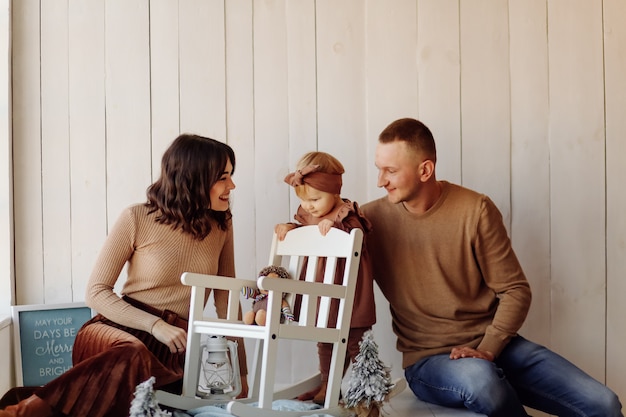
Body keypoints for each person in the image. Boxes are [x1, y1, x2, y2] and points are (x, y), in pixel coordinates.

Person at [361, 117, 623, 417]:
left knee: (604, 403)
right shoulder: (369, 221)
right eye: (379, 169)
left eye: (390, 171)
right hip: (430, 362)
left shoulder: (475, 209)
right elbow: (320, 220)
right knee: (482, 381)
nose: (380, 181)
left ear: (425, 170)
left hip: (497, 348)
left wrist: (489, 348)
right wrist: (293, 225)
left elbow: (515, 290)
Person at [0, 134, 248, 417]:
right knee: (133, 352)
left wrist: (241, 373)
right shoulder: (136, 217)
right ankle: (21, 413)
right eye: (223, 177)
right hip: (114, 332)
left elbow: (227, 299)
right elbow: (96, 291)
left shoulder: (221, 226)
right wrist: (154, 324)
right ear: (195, 178)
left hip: (172, 349)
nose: (232, 186)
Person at [274, 151, 375, 405]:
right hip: (322, 295)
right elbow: (302, 229)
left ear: (334, 191)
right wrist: (291, 228)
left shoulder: (346, 214)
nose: (309, 206)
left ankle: (368, 388)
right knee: (326, 342)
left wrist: (336, 227)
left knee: (356, 341)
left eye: (315, 199)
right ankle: (328, 385)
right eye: (304, 200)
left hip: (349, 293)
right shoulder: (308, 214)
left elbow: (358, 237)